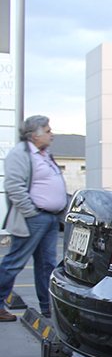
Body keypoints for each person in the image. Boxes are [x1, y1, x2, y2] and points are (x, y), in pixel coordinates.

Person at [0, 116, 68, 322]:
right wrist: (32, 212)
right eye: (47, 130)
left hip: (49, 218)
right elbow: (14, 187)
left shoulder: (45, 155)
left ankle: (48, 308)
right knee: (15, 262)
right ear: (34, 135)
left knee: (47, 264)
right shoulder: (21, 154)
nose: (51, 134)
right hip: (33, 218)